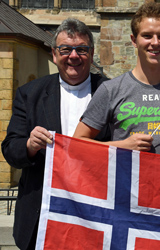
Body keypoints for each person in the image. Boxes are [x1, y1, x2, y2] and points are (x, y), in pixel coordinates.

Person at [1, 18, 110, 250]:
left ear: (91, 54)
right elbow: (10, 149)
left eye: (81, 49)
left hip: (96, 213)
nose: (73, 56)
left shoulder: (110, 91)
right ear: (53, 53)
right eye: (65, 49)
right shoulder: (30, 94)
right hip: (41, 214)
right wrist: (30, 145)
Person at [73, 2, 160, 160]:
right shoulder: (111, 90)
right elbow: (76, 145)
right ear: (134, 40)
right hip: (125, 183)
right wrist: (122, 146)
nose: (155, 42)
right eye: (147, 35)